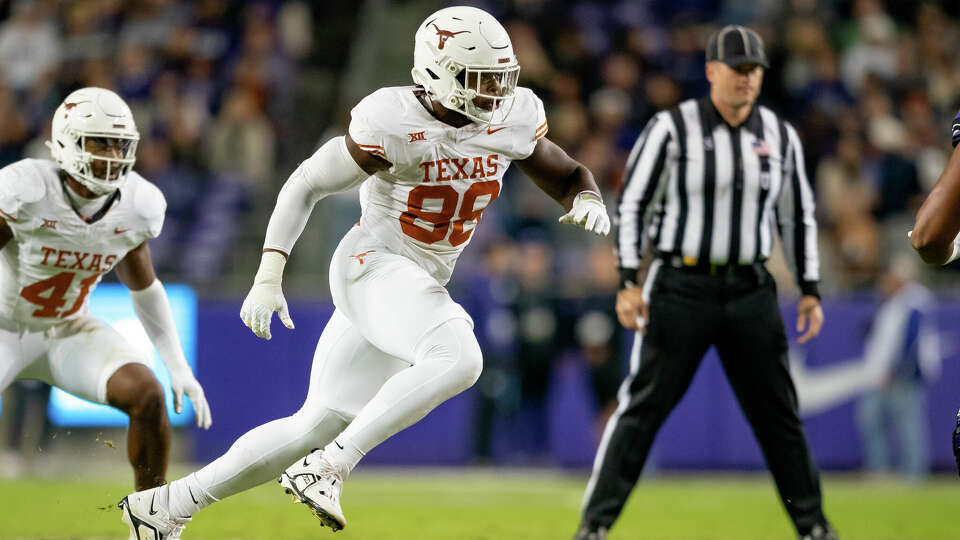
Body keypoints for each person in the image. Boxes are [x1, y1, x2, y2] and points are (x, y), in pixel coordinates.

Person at [118, 6, 610, 538]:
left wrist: (586, 195)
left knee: (313, 424)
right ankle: (330, 467)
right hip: (373, 264)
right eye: (479, 79)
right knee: (460, 356)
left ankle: (166, 506)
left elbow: (562, 169)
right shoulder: (393, 120)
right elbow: (305, 182)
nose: (494, 92)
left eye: (502, 77)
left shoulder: (511, 117)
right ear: (436, 71)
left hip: (416, 283)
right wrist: (269, 272)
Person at [575, 26, 838, 540]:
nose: (747, 78)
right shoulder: (672, 129)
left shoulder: (779, 134)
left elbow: (796, 215)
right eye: (737, 68)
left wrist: (809, 287)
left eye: (754, 69)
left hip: (750, 288)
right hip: (681, 284)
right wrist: (629, 280)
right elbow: (633, 205)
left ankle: (813, 527)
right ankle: (595, 526)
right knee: (641, 410)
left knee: (779, 418)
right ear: (712, 71)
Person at [0, 87, 211, 491]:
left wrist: (178, 367)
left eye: (119, 146)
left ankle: (152, 522)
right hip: (3, 326)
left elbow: (145, 289)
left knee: (147, 393)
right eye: (100, 143)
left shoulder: (137, 203)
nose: (112, 157)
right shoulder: (26, 189)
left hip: (66, 329)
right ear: (65, 141)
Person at [856, 255, 939, 481]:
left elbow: (911, 341)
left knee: (909, 425)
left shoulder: (915, 301)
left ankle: (914, 474)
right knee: (872, 420)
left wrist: (897, 370)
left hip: (903, 375)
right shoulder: (893, 302)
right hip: (882, 373)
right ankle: (880, 470)